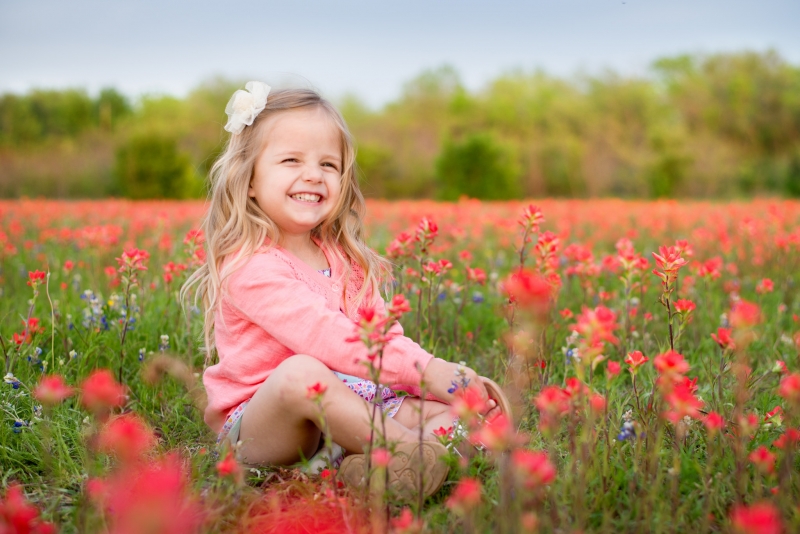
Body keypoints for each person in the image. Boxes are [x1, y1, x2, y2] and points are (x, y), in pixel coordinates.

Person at [183, 81, 506, 497]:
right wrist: (428, 371)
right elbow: (328, 338)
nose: (313, 175)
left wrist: (437, 386)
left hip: (354, 409)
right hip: (267, 431)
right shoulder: (251, 266)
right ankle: (409, 454)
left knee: (449, 411)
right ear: (249, 179)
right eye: (291, 159)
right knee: (302, 373)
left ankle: (367, 468)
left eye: (328, 165)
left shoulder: (345, 261)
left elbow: (382, 339)